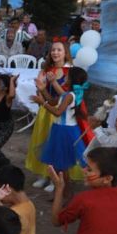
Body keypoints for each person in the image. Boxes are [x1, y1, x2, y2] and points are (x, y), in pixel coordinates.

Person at [26, 42, 72, 190]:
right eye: (53, 50)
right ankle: (42, 174)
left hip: (59, 112)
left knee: (55, 145)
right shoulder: (45, 70)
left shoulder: (69, 71)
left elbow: (65, 95)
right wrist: (41, 91)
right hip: (45, 111)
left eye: (59, 50)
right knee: (42, 142)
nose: (55, 52)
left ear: (65, 53)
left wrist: (48, 87)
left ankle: (55, 178)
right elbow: (42, 93)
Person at [38, 66, 89, 182]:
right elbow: (52, 101)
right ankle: (62, 190)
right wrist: (42, 89)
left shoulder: (69, 96)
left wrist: (42, 103)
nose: (65, 77)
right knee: (60, 165)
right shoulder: (67, 94)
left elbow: (57, 112)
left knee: (62, 165)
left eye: (67, 75)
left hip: (65, 131)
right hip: (60, 129)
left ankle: (65, 192)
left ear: (71, 79)